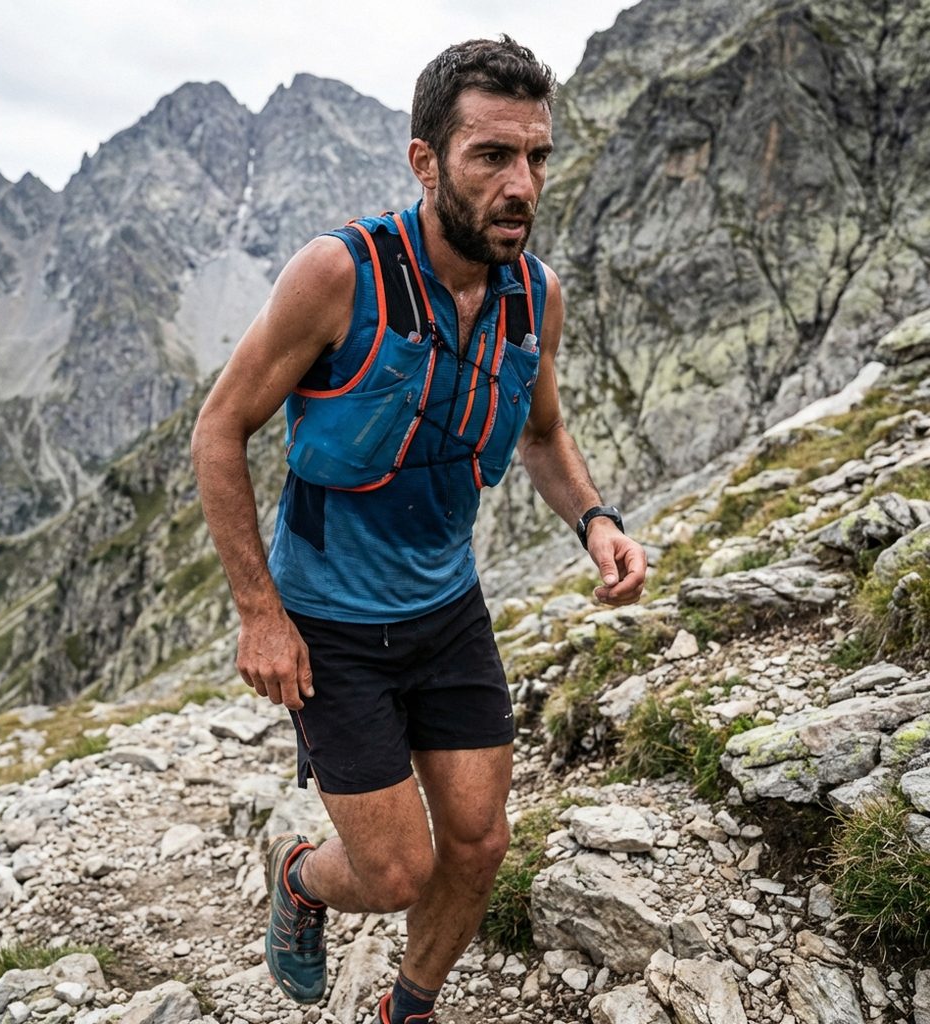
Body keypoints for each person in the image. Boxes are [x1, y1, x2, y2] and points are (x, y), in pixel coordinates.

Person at [191, 34, 647, 1024]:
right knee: (397, 868)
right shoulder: (339, 278)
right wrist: (258, 612)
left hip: (446, 611)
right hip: (331, 629)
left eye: (537, 156)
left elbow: (542, 432)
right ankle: (305, 881)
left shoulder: (536, 297)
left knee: (480, 846)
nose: (521, 182)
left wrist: (596, 522)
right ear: (425, 160)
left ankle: (410, 1007)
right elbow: (218, 432)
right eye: (492, 155)